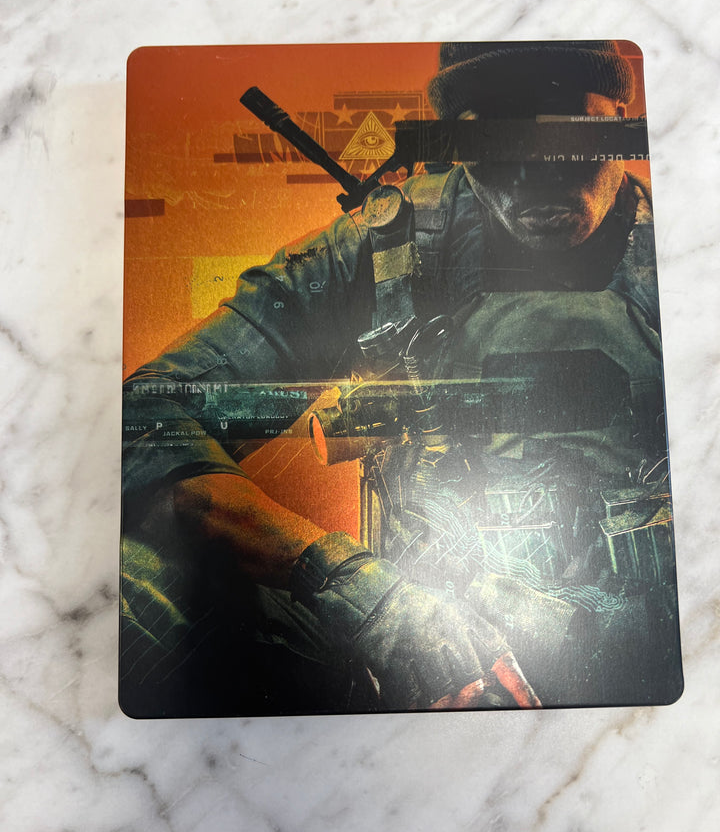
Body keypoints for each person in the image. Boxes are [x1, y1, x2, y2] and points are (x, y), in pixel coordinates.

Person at [121, 41, 680, 717]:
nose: (532, 172)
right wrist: (353, 587)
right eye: (492, 142)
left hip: (645, 664)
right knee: (130, 582)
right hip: (420, 654)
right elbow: (144, 418)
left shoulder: (687, 255)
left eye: (566, 137)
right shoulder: (385, 248)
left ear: (620, 120)